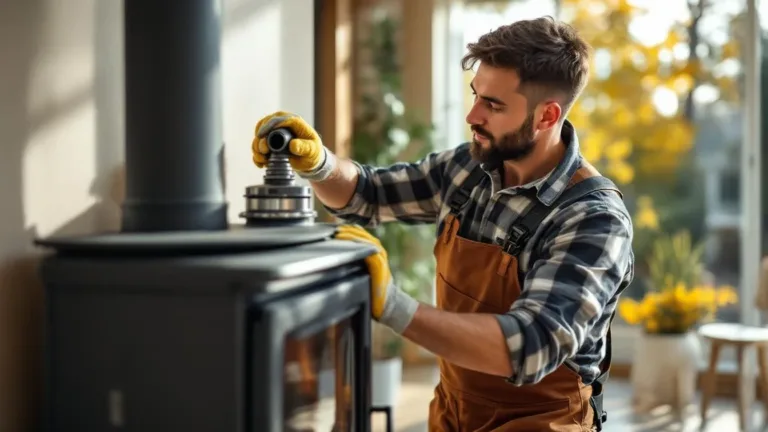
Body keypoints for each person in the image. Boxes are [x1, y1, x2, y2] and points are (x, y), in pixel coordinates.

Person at [252, 16, 634, 432]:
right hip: (454, 412)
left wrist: (393, 306)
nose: (473, 115)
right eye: (476, 95)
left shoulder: (593, 217)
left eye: (493, 104)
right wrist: (319, 164)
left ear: (547, 116)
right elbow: (369, 194)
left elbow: (531, 344)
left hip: (541, 422)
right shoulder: (470, 167)